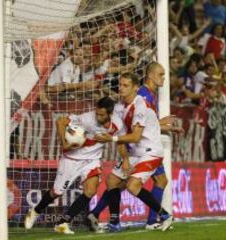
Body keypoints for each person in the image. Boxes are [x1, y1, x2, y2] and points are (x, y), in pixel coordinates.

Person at [87, 63, 182, 231]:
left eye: (125, 86)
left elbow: (136, 134)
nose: (121, 89)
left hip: (150, 150)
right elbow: (123, 136)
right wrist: (124, 158)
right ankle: (113, 222)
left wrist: (111, 139)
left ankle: (162, 216)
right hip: (136, 150)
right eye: (120, 85)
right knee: (113, 181)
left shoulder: (141, 104)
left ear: (135, 88)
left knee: (133, 185)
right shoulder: (120, 108)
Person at [24, 97, 127, 234]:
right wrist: (64, 143)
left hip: (92, 159)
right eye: (97, 113)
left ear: (110, 113)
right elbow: (60, 122)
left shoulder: (117, 124)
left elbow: (120, 141)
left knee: (91, 190)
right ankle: (36, 211)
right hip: (72, 159)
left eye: (102, 115)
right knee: (56, 192)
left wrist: (125, 158)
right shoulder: (87, 119)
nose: (98, 116)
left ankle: (63, 223)